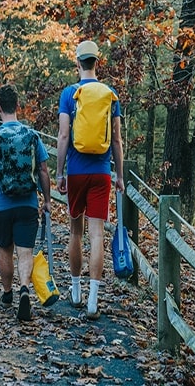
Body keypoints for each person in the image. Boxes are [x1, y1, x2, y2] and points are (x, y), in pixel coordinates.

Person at [55, 40, 124, 320]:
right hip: (101, 173)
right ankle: (93, 300)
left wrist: (59, 172)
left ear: (77, 63)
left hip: (76, 170)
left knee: (75, 232)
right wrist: (118, 174)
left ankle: (75, 291)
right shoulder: (111, 95)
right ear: (98, 62)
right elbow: (117, 139)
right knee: (96, 234)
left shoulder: (69, 94)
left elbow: (62, 136)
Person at [0, 84, 52, 322]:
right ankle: (24, 288)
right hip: (28, 203)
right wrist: (47, 201)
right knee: (25, 251)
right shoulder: (32, 136)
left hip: (2, 204)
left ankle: (8, 293)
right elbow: (43, 170)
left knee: (5, 250)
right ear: (18, 107)